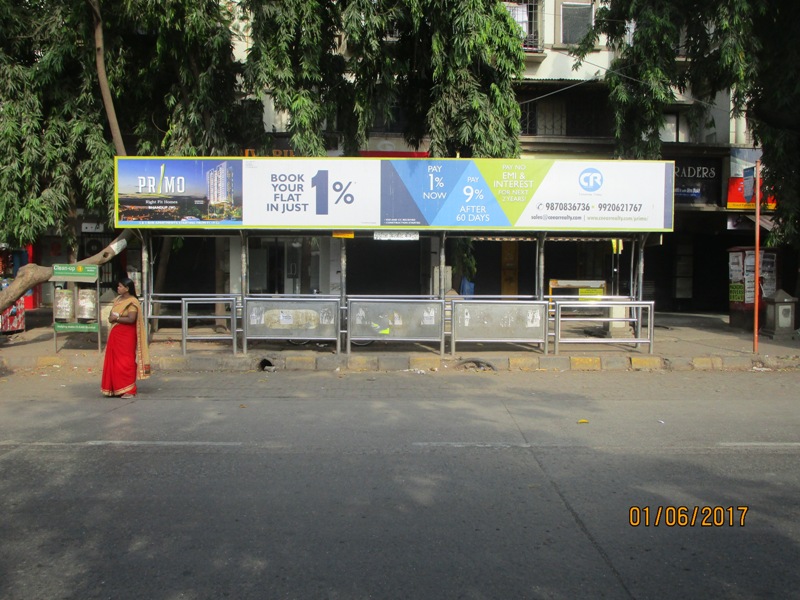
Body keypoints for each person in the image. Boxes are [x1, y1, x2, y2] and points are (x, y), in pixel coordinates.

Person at [101, 276, 150, 398]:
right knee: (114, 361)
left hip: (126, 336)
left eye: (120, 286)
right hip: (115, 334)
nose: (118, 288)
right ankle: (115, 388)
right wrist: (111, 318)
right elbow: (112, 315)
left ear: (127, 288)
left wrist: (116, 318)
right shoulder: (118, 299)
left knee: (126, 361)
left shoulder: (132, 301)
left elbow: (131, 319)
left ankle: (129, 390)